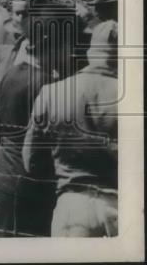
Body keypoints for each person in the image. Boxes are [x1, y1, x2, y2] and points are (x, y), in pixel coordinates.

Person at [23, 20, 118, 237]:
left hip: (72, 205)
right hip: (122, 207)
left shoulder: (52, 92)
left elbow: (31, 161)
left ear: (90, 52)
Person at [0, 0, 61, 237]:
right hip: (0, 158)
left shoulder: (54, 63)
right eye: (17, 13)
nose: (21, 19)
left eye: (27, 13)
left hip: (33, 165)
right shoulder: (3, 55)